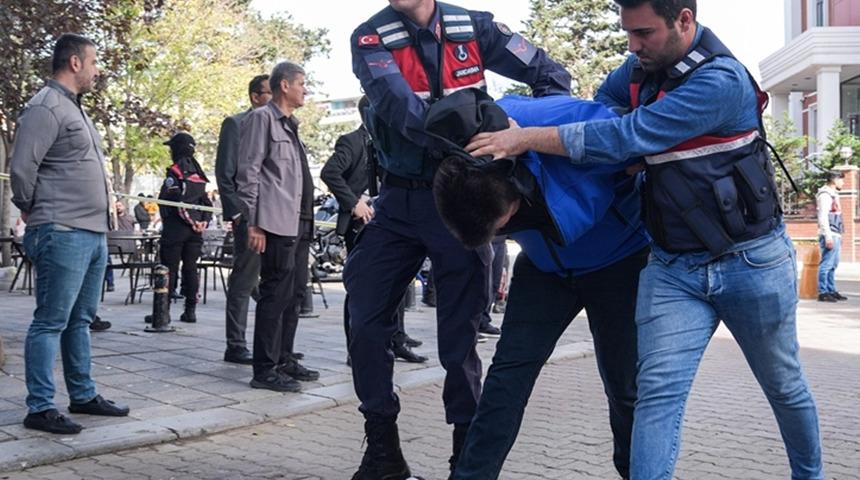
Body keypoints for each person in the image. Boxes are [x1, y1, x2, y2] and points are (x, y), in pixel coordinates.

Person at [465, 1, 825, 478]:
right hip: (673, 268)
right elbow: (603, 109)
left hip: (749, 262)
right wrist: (622, 145)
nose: (633, 46)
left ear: (684, 20)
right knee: (655, 394)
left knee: (783, 385)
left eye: (644, 33)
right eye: (628, 33)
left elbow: (628, 134)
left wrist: (530, 137)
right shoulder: (641, 68)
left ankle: (810, 473)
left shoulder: (721, 82)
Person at [347, 1, 572, 478]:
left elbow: (550, 72)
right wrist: (472, 131)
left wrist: (522, 127)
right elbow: (400, 106)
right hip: (399, 199)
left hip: (462, 203)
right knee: (364, 319)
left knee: (460, 338)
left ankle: (465, 456)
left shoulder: (475, 26)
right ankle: (383, 448)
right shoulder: (372, 37)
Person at [428, 91, 648, 480]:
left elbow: (638, 141)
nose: (507, 231)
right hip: (546, 268)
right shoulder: (461, 156)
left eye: (506, 225)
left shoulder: (558, 119)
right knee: (506, 379)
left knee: (624, 386)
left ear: (512, 185)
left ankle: (639, 473)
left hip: (618, 261)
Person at [10, 33, 130, 435]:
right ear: (75, 63)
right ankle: (40, 407)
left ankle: (83, 395)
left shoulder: (73, 109)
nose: (97, 70)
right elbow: (23, 170)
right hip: (61, 229)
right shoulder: (45, 107)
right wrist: (32, 208)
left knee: (79, 319)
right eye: (94, 62)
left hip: (91, 232)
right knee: (50, 321)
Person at [320, 96, 427, 364]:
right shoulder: (353, 141)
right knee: (360, 285)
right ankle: (355, 347)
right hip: (360, 223)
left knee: (398, 283)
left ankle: (396, 339)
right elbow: (330, 172)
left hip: (391, 220)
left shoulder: (391, 140)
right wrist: (354, 202)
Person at [237, 61, 319, 393]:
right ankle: (265, 369)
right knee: (274, 293)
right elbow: (248, 172)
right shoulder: (261, 119)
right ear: (284, 85)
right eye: (302, 83)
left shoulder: (291, 125)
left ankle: (284, 358)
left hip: (298, 221)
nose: (305, 89)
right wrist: (253, 222)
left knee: (295, 293)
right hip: (274, 222)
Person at [216, 74, 271, 365]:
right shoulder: (236, 124)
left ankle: (274, 343)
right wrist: (238, 214)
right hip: (249, 217)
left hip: (277, 217)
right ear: (255, 96)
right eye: (269, 93)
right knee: (244, 280)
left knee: (273, 284)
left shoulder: (281, 126)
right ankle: (235, 344)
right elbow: (225, 174)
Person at [158, 132, 212, 324]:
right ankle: (190, 310)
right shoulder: (198, 172)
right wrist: (203, 222)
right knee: (191, 269)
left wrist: (191, 221)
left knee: (169, 269)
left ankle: (162, 312)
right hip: (195, 231)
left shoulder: (176, 172)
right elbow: (206, 202)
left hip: (176, 230)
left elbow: (175, 202)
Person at [816, 171, 847, 302]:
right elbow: (823, 217)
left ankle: (831, 289)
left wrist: (840, 234)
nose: (843, 182)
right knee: (826, 264)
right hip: (829, 234)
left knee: (833, 264)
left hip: (835, 233)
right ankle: (823, 292)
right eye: (841, 179)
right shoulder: (825, 195)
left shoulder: (833, 194)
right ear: (834, 180)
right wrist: (828, 236)